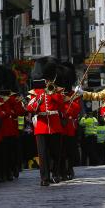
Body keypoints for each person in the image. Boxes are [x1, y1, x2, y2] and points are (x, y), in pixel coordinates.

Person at [27, 59, 64, 187]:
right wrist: (40, 97)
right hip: (41, 126)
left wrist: (52, 93)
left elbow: (61, 104)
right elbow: (30, 108)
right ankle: (44, 177)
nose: (48, 82)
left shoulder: (57, 90)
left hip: (55, 125)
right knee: (42, 154)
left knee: (55, 152)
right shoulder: (35, 92)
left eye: (49, 79)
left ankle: (56, 174)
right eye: (46, 79)